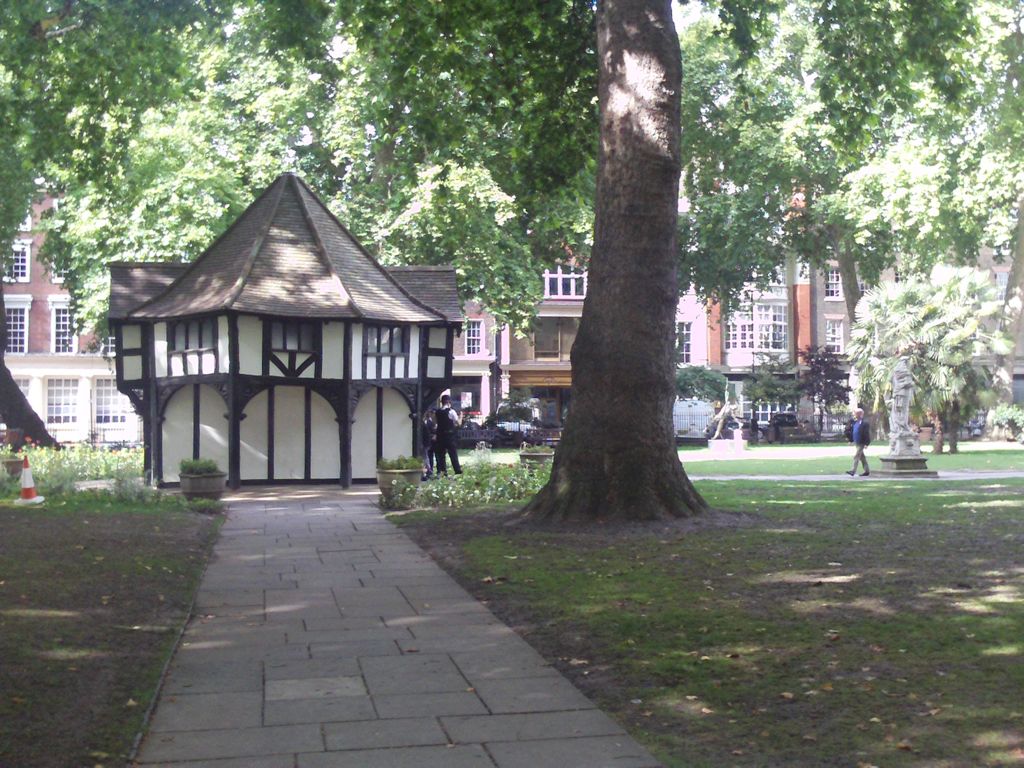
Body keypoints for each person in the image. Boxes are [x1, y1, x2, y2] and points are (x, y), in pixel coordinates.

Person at [433, 394, 462, 475]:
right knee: (453, 454)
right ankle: (457, 470)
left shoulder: (437, 412)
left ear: (441, 402)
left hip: (440, 436)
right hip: (449, 436)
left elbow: (436, 424)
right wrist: (461, 417)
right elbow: (458, 423)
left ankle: (443, 471)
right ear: (449, 401)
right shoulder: (451, 411)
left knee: (441, 455)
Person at [846, 407, 871, 477]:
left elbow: (866, 434)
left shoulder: (864, 423)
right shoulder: (855, 423)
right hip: (857, 442)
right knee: (862, 458)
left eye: (855, 414)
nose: (854, 415)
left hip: (861, 443)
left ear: (859, 414)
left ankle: (853, 471)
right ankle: (867, 471)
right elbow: (853, 432)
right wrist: (851, 441)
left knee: (856, 456)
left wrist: (866, 443)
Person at [420, 409, 437, 480]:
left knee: (425, 457)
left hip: (425, 442)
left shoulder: (425, 423)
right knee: (425, 457)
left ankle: (428, 471)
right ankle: (428, 471)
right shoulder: (425, 422)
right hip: (426, 442)